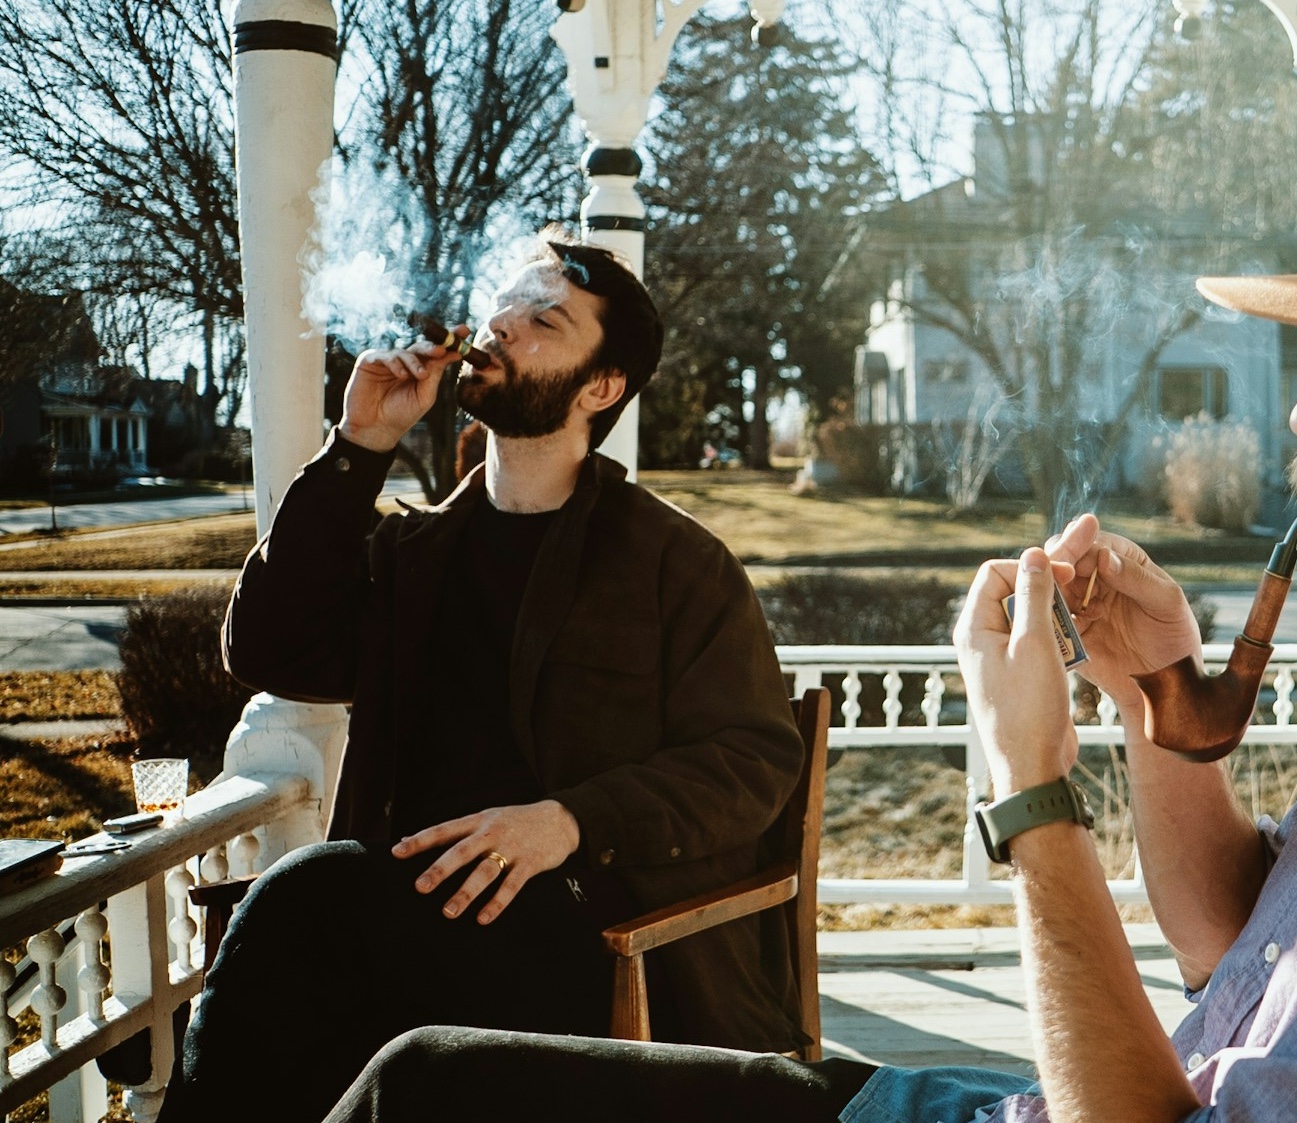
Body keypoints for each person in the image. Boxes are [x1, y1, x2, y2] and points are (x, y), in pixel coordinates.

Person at [318, 140, 1297, 1123]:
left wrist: (1030, 786)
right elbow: (1241, 945)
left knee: (427, 1095)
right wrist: (1158, 703)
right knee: (419, 1078)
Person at [157, 232, 809, 1123]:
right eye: (503, 302)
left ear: (600, 387)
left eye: (543, 317)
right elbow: (268, 649)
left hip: (593, 930)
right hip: (416, 917)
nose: (501, 323)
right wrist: (359, 445)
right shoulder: (412, 554)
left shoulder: (674, 562)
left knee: (299, 909)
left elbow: (754, 759)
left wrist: (570, 822)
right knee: (297, 922)